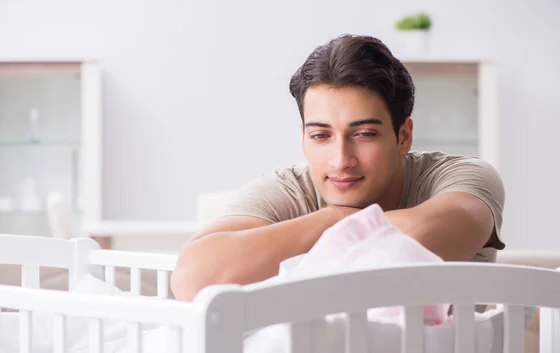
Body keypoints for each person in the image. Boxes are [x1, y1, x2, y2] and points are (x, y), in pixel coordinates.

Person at [171, 34, 505, 302]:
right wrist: (335, 217)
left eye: (364, 134)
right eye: (321, 135)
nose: (341, 159)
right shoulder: (288, 189)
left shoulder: (462, 176)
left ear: (403, 136)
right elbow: (191, 277)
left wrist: (331, 223)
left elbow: (412, 245)